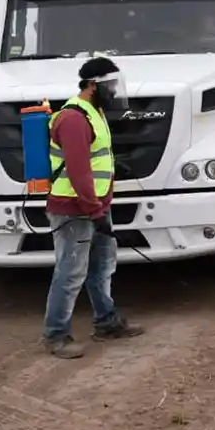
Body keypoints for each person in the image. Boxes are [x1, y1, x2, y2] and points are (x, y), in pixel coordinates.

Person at [42, 56, 144, 359]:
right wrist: (95, 211)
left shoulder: (94, 112)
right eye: (108, 85)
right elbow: (77, 170)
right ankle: (55, 335)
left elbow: (95, 159)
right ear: (90, 85)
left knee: (102, 266)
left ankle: (106, 322)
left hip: (94, 205)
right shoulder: (73, 118)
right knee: (70, 272)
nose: (113, 91)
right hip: (73, 209)